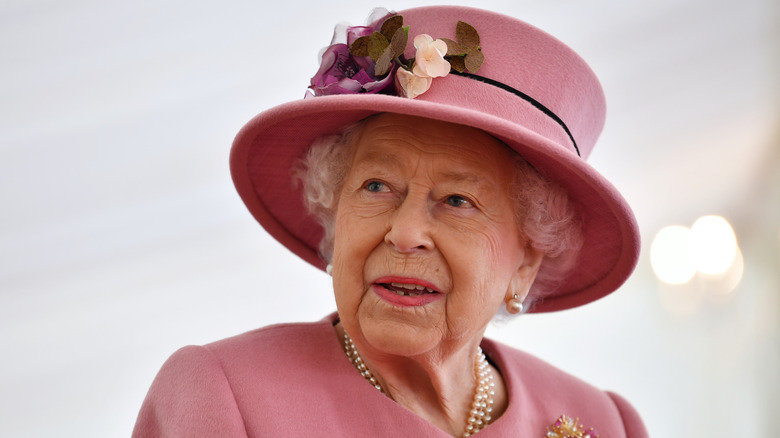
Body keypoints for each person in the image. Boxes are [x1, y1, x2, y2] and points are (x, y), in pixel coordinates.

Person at [133, 5, 648, 437]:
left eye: (457, 200)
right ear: (335, 217)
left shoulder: (606, 421)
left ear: (527, 261)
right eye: (376, 187)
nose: (404, 233)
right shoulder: (225, 397)